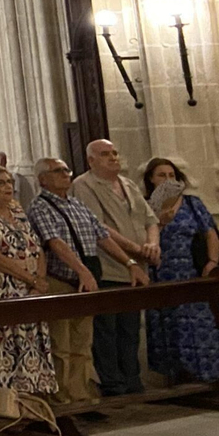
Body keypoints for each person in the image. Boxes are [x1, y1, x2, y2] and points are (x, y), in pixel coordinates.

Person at [27, 157, 144, 404]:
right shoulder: (40, 207)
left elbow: (102, 236)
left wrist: (130, 263)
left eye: (66, 169)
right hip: (60, 278)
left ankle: (80, 395)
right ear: (42, 180)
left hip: (85, 278)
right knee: (61, 343)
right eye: (58, 171)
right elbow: (54, 242)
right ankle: (61, 398)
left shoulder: (77, 205)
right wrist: (81, 270)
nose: (66, 174)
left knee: (83, 341)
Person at [72, 138, 160, 396]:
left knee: (130, 329)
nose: (113, 158)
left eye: (115, 153)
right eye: (105, 154)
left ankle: (133, 380)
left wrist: (153, 245)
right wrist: (134, 250)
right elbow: (99, 227)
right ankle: (113, 383)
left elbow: (150, 219)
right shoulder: (84, 185)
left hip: (136, 266)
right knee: (107, 332)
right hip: (108, 266)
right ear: (91, 160)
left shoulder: (128, 184)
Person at [0, 165, 56, 395]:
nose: (8, 186)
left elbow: (36, 248)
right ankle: (12, 404)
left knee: (35, 341)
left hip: (31, 285)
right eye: (1, 182)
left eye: (9, 182)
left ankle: (38, 400)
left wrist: (40, 279)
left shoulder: (18, 211)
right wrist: (31, 279)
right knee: (8, 342)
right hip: (3, 285)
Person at [143, 157, 219, 381]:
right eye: (161, 175)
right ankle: (176, 375)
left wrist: (213, 262)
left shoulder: (192, 203)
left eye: (171, 175)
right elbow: (141, 235)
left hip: (192, 270)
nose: (167, 180)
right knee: (169, 324)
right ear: (150, 179)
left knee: (201, 322)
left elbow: (210, 233)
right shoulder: (146, 206)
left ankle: (208, 374)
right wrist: (161, 221)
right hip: (161, 272)